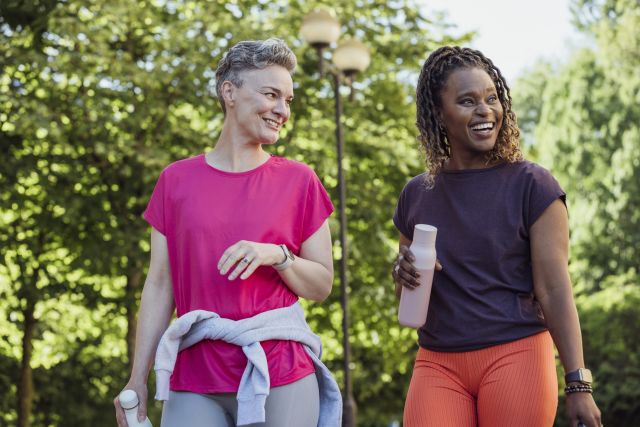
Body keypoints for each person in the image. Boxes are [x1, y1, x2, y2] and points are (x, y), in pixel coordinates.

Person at [113, 38, 340, 427]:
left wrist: (277, 255)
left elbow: (320, 286)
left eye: (288, 100)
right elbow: (160, 285)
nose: (282, 110)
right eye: (271, 94)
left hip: (281, 372)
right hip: (194, 373)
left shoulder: (300, 180)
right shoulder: (175, 181)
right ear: (229, 91)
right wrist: (138, 377)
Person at [392, 46, 602, 427]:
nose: (485, 110)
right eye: (467, 101)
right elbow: (409, 304)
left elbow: (555, 290)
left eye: (491, 98)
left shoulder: (533, 185)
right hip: (438, 360)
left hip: (516, 354)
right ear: (440, 114)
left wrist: (578, 383)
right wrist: (402, 274)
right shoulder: (416, 194)